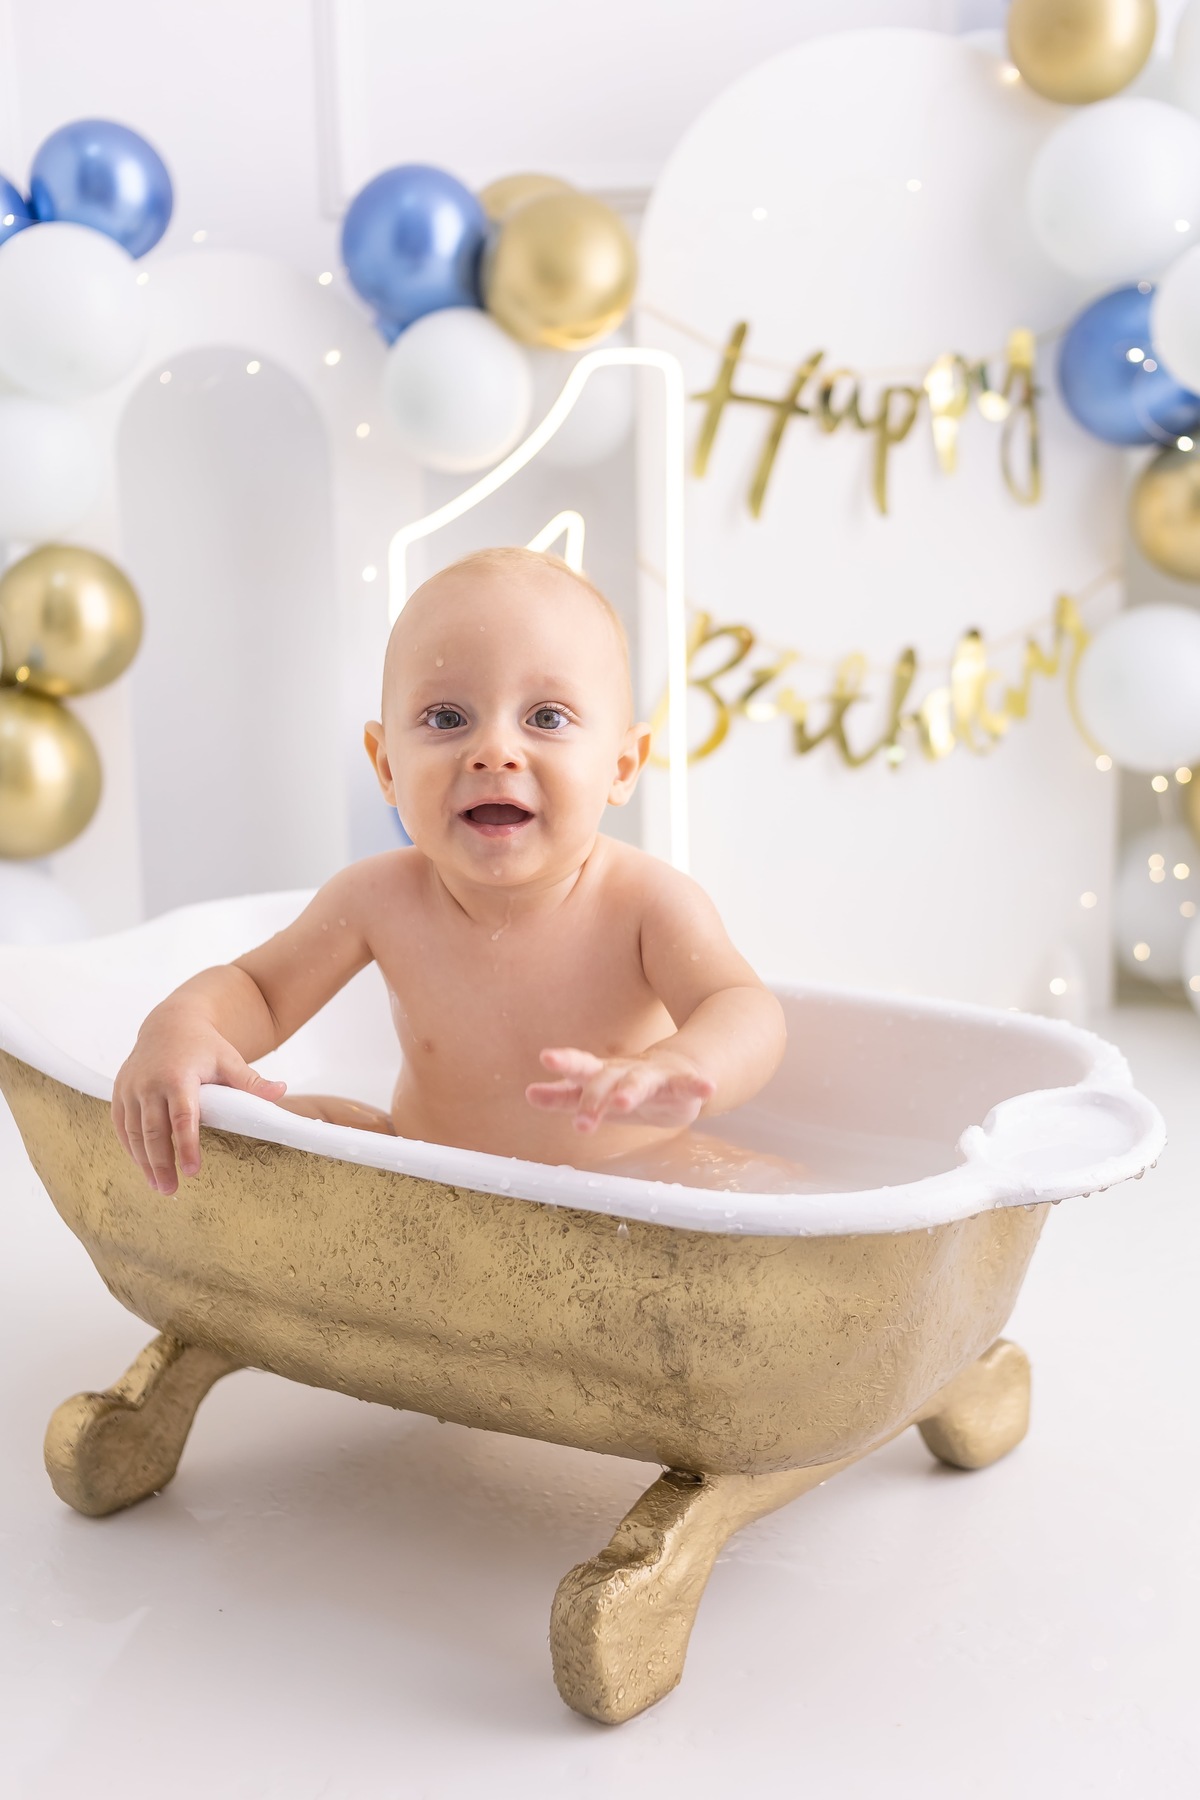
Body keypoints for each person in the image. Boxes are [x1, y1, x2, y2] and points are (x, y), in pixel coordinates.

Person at [111, 546, 790, 1198]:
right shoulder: (376, 898)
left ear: (621, 766)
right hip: (428, 1181)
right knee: (263, 1134)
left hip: (625, 1184)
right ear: (385, 766)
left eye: (546, 717)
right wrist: (177, 1026)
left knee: (772, 1189)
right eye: (446, 717)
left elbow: (742, 1009)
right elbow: (258, 991)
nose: (494, 750)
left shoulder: (647, 904)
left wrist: (680, 1067)